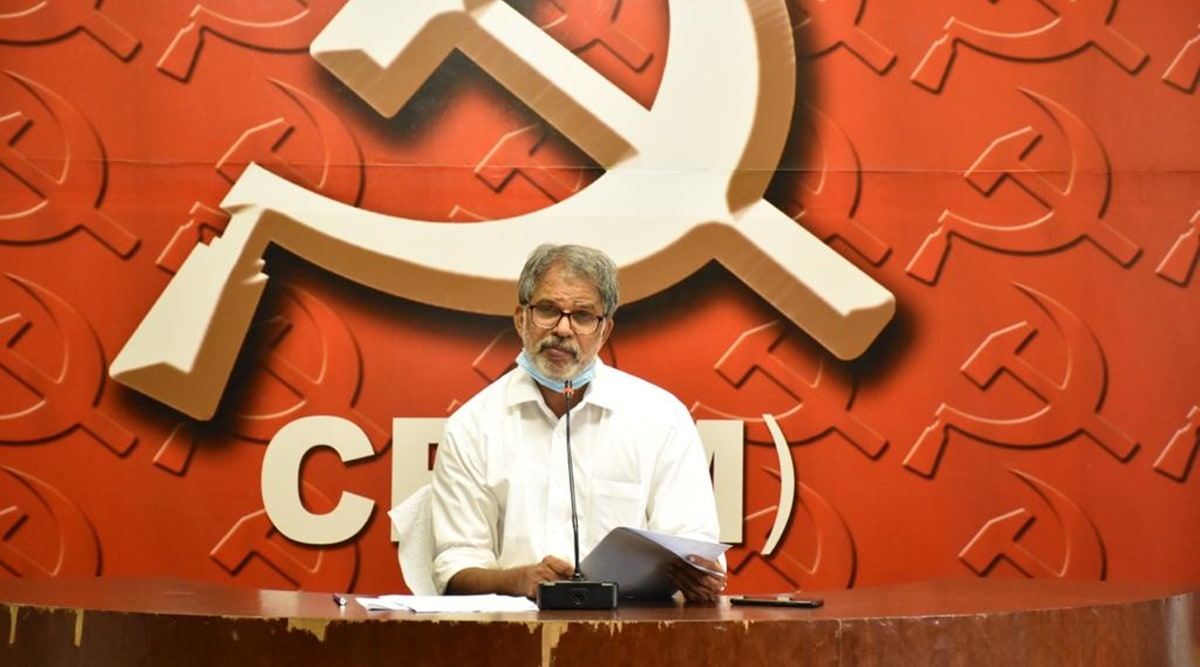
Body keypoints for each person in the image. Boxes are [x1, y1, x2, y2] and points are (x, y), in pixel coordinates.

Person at [430, 243, 726, 603]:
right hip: (511, 637)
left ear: (605, 330)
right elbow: (455, 568)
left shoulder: (662, 418)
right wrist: (521, 580)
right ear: (521, 319)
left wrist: (700, 576)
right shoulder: (472, 426)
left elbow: (694, 544)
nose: (563, 329)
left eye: (583, 316)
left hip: (632, 638)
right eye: (548, 310)